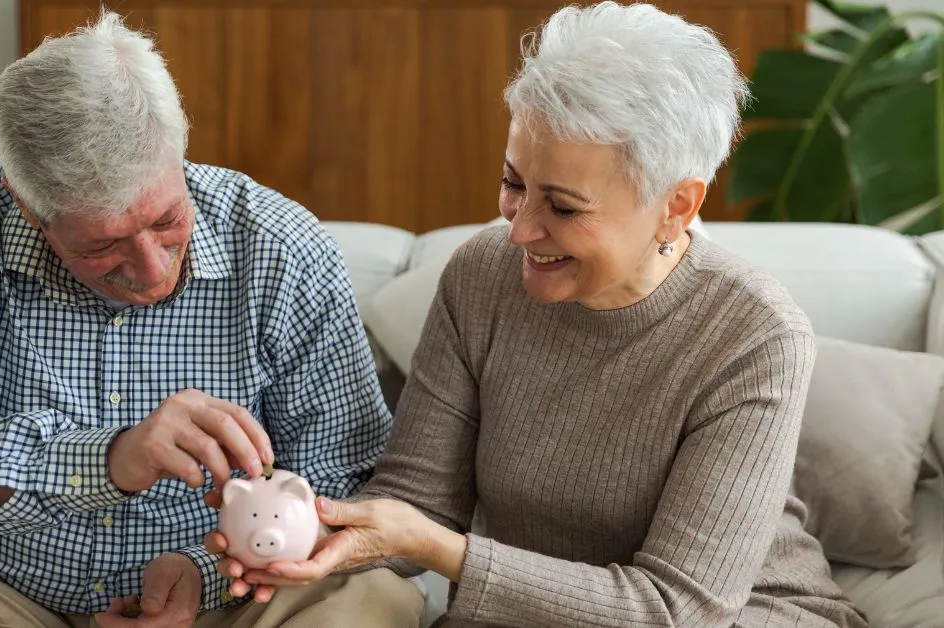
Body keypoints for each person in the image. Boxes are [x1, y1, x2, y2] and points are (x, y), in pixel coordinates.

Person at [208, 2, 869, 626]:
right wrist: (304, 526)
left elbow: (676, 610)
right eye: (514, 183)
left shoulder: (753, 335)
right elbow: (418, 507)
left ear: (676, 205)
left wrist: (446, 551)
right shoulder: (481, 277)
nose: (520, 230)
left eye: (563, 206)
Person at [0, 10, 423, 628]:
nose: (148, 267)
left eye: (166, 221)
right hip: (7, 602)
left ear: (180, 152)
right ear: (25, 206)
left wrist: (208, 572)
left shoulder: (283, 247)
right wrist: (109, 459)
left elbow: (343, 484)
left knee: (375, 596)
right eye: (102, 245)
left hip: (225, 606)